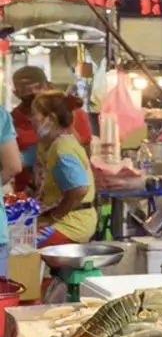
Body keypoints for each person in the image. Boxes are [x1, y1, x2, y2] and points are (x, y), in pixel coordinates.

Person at [32, 92, 98, 244]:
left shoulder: (62, 147)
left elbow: (79, 189)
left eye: (34, 114)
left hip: (72, 224)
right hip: (67, 220)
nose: (31, 120)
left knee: (18, 247)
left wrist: (53, 217)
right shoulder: (49, 145)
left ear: (51, 119)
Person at [12, 65, 90, 171]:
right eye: (26, 91)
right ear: (16, 94)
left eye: (38, 87)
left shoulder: (72, 113)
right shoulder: (10, 121)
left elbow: (86, 151)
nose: (33, 93)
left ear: (49, 86)